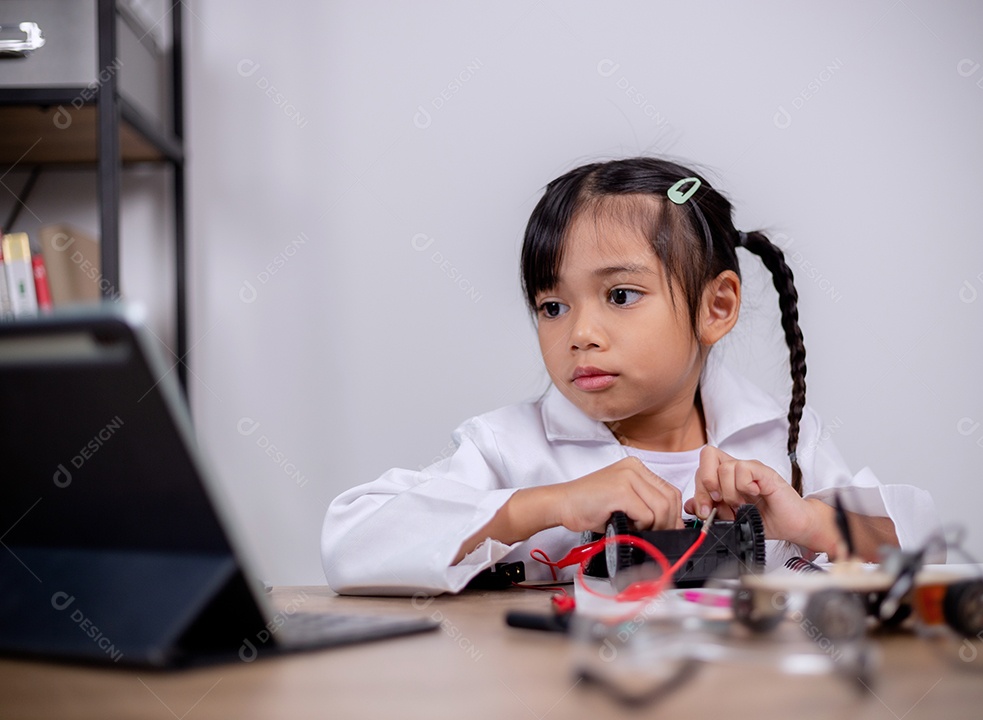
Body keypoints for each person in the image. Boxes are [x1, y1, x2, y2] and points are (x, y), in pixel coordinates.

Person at [322, 157, 942, 595]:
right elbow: (350, 544)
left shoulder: (781, 443)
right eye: (552, 306)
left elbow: (926, 555)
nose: (579, 333)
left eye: (620, 295)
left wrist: (810, 523)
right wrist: (547, 506)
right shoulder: (507, 450)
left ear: (716, 307)